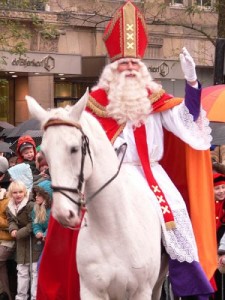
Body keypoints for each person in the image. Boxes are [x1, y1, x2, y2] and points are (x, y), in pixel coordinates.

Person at [36, 1, 217, 299]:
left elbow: (188, 120)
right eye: (123, 63)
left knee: (177, 217)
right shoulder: (93, 101)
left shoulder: (156, 99)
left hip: (151, 175)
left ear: (143, 68)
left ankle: (186, 276)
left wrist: (192, 82)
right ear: (111, 68)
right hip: (108, 173)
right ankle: (63, 275)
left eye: (134, 63)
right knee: (69, 216)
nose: (130, 68)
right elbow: (71, 132)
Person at [6, 180, 42, 300]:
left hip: (33, 241)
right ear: (11, 194)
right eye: (15, 192)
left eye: (20, 192)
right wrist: (12, 230)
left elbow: (34, 223)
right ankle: (21, 297)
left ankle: (35, 296)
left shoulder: (30, 205)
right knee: (21, 271)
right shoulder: (10, 206)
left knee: (34, 272)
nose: (18, 195)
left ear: (25, 192)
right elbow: (10, 220)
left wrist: (19, 233)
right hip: (21, 244)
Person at [0, 157, 15, 300]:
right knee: (2, 267)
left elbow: (12, 222)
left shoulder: (8, 198)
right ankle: (6, 294)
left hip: (8, 241)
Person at [211, 173, 225, 300]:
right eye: (217, 188)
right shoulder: (209, 206)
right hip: (211, 252)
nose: (221, 191)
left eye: (223, 187)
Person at [31, 180, 52, 269]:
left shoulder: (53, 210)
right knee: (40, 266)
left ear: (47, 196)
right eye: (36, 194)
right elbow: (35, 223)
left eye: (39, 195)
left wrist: (45, 234)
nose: (36, 197)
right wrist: (37, 231)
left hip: (54, 242)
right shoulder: (36, 208)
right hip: (45, 242)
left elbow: (52, 225)